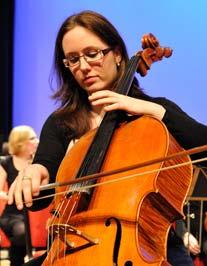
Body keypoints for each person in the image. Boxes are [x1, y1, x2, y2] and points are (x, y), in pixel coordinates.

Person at [6, 10, 207, 266]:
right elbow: (44, 179)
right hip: (73, 244)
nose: (84, 66)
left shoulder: (153, 112)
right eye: (73, 59)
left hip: (148, 243)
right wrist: (36, 172)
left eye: (92, 54)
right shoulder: (61, 122)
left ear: (117, 54)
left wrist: (155, 111)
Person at [0, 125, 39, 266]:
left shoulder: (38, 163)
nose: (37, 141)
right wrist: (12, 195)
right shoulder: (5, 163)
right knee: (22, 232)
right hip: (12, 215)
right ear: (20, 143)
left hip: (34, 213)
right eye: (32, 138)